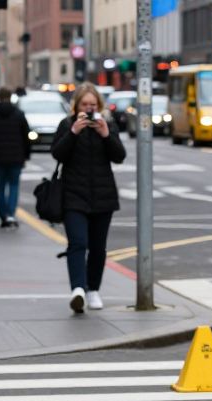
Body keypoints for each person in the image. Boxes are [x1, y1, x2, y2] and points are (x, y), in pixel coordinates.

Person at [51, 83, 124, 314]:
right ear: (76, 106)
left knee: (97, 247)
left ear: (99, 106)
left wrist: (105, 135)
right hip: (74, 195)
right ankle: (78, 291)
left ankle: (93, 289)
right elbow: (57, 153)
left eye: (93, 105)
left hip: (103, 196)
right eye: (85, 105)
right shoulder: (67, 125)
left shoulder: (107, 125)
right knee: (78, 243)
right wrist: (74, 132)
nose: (89, 109)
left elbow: (119, 156)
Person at [0, 87, 30, 228]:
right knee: (14, 186)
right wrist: (26, 155)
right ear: (10, 96)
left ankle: (3, 216)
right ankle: (11, 214)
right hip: (16, 156)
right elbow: (26, 136)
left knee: (0, 187)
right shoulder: (19, 114)